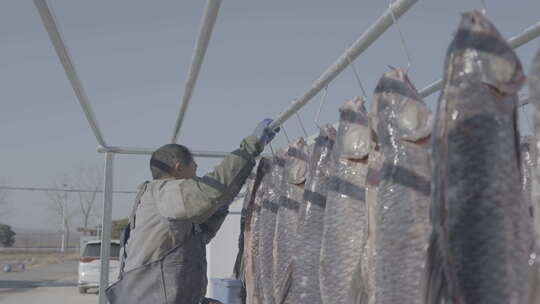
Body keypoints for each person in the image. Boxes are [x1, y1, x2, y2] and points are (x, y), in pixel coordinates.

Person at [106, 119, 279, 304]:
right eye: (194, 167)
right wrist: (249, 148)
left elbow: (200, 235)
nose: (197, 175)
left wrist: (222, 200)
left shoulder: (171, 208)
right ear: (179, 167)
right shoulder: (164, 192)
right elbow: (208, 192)